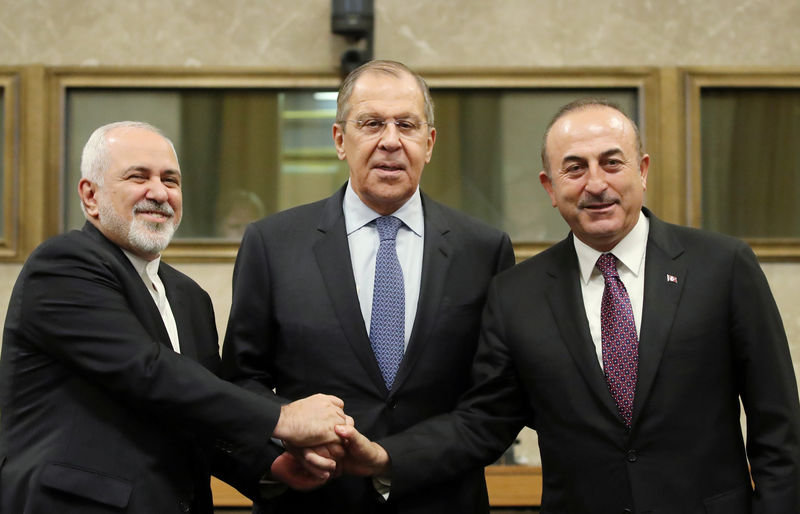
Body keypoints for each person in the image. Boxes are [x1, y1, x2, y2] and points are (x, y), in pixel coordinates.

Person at [335, 99, 800, 513]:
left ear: (643, 170)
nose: (595, 184)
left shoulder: (722, 267)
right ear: (550, 187)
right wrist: (387, 457)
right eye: (574, 168)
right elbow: (484, 421)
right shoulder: (517, 294)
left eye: (612, 163)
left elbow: (777, 422)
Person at [0, 121, 348, 514]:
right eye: (138, 177)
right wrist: (282, 418)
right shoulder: (63, 265)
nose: (159, 192)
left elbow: (199, 414)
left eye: (171, 180)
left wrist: (270, 465)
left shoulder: (190, 297)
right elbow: (149, 372)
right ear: (90, 195)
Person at [220, 60, 515, 513]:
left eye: (407, 125)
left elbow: (493, 403)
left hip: (440, 500)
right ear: (341, 140)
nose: (390, 141)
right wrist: (288, 437)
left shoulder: (483, 250)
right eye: (372, 123)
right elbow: (242, 379)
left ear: (429, 142)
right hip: (313, 501)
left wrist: (391, 458)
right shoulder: (272, 243)